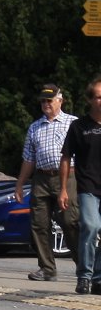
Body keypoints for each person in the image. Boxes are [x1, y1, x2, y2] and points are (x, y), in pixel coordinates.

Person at [16, 84, 78, 283]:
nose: (45, 104)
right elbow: (29, 159)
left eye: (49, 100)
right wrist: (20, 184)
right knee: (39, 224)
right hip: (41, 178)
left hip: (67, 177)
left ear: (60, 101)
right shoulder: (35, 127)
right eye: (43, 101)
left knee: (70, 221)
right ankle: (47, 268)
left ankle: (84, 266)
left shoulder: (72, 123)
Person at [59, 77, 101, 295]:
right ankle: (84, 276)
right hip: (88, 187)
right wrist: (63, 189)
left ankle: (98, 278)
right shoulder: (79, 126)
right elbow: (66, 157)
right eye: (98, 97)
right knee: (91, 226)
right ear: (90, 100)